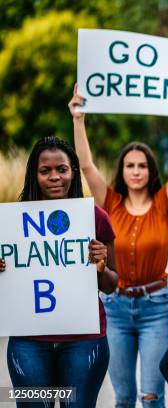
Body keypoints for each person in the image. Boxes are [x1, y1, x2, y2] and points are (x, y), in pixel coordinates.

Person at [68, 83, 168, 407]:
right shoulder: (109, 203)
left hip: (156, 307)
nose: (136, 171)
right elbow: (85, 166)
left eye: (142, 165)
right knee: (123, 397)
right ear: (122, 171)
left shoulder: (165, 203)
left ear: (150, 170)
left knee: (151, 396)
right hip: (116, 307)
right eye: (130, 165)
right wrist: (78, 119)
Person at [1, 135, 118, 408]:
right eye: (45, 171)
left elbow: (112, 284)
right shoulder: (11, 224)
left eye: (62, 169)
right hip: (29, 340)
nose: (55, 177)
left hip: (84, 341)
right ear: (34, 175)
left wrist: (100, 269)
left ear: (73, 173)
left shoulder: (95, 218)